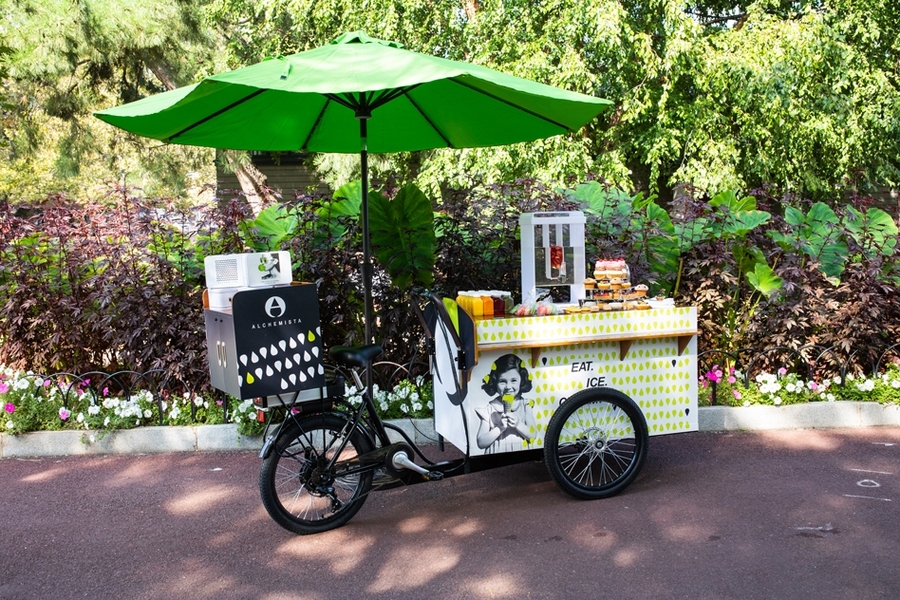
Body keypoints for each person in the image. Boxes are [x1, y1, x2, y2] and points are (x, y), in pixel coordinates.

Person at [474, 354, 536, 453]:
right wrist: (500, 428)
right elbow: (481, 442)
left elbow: (533, 435)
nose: (508, 386)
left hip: (521, 455)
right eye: (502, 381)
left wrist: (518, 424)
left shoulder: (525, 405)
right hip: (496, 457)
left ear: (521, 380)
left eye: (514, 380)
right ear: (494, 382)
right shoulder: (489, 409)